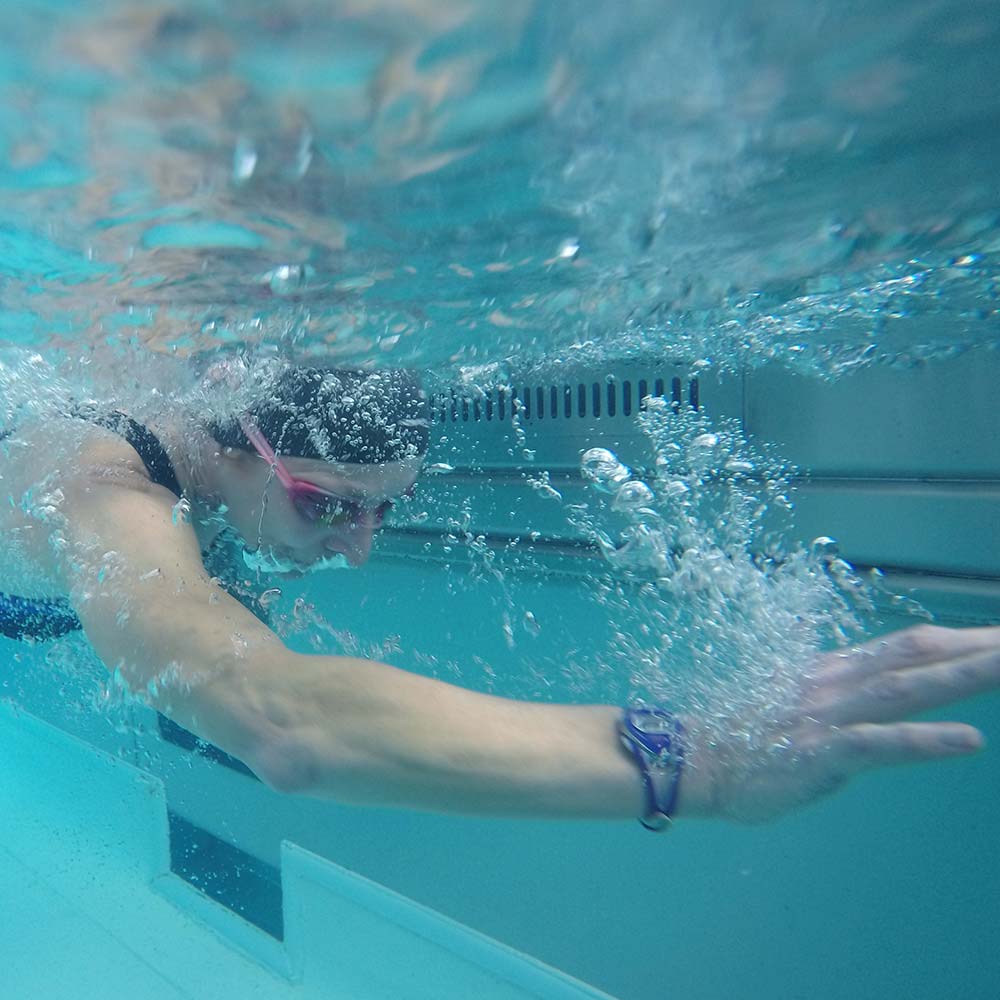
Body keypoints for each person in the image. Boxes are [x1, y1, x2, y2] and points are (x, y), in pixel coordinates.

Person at [0, 355, 997, 828]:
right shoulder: (107, 495)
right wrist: (703, 764)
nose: (356, 553)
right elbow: (286, 727)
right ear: (245, 453)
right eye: (327, 508)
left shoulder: (216, 458)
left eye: (382, 514)